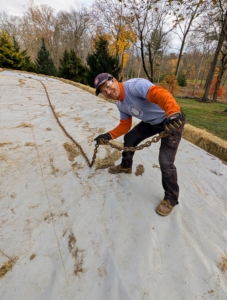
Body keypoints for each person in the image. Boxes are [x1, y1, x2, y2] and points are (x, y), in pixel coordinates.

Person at [94, 73, 186, 216]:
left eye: (107, 86)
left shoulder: (135, 86)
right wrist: (108, 135)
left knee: (165, 161)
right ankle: (126, 166)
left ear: (115, 80)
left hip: (171, 120)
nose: (107, 91)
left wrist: (173, 113)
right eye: (103, 91)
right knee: (130, 138)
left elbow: (159, 93)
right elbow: (125, 125)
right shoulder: (120, 104)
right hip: (152, 123)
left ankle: (171, 199)